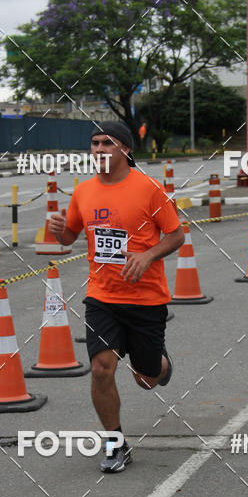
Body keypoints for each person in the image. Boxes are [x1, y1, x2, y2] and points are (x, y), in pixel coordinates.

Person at [49, 121, 184, 473]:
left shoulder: (150, 189)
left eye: (107, 143)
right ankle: (115, 444)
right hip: (102, 297)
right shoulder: (83, 192)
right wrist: (60, 232)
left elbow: (176, 235)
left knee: (146, 378)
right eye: (94, 144)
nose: (98, 150)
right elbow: (69, 238)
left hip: (145, 299)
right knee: (100, 369)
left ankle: (160, 364)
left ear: (125, 149)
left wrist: (147, 255)